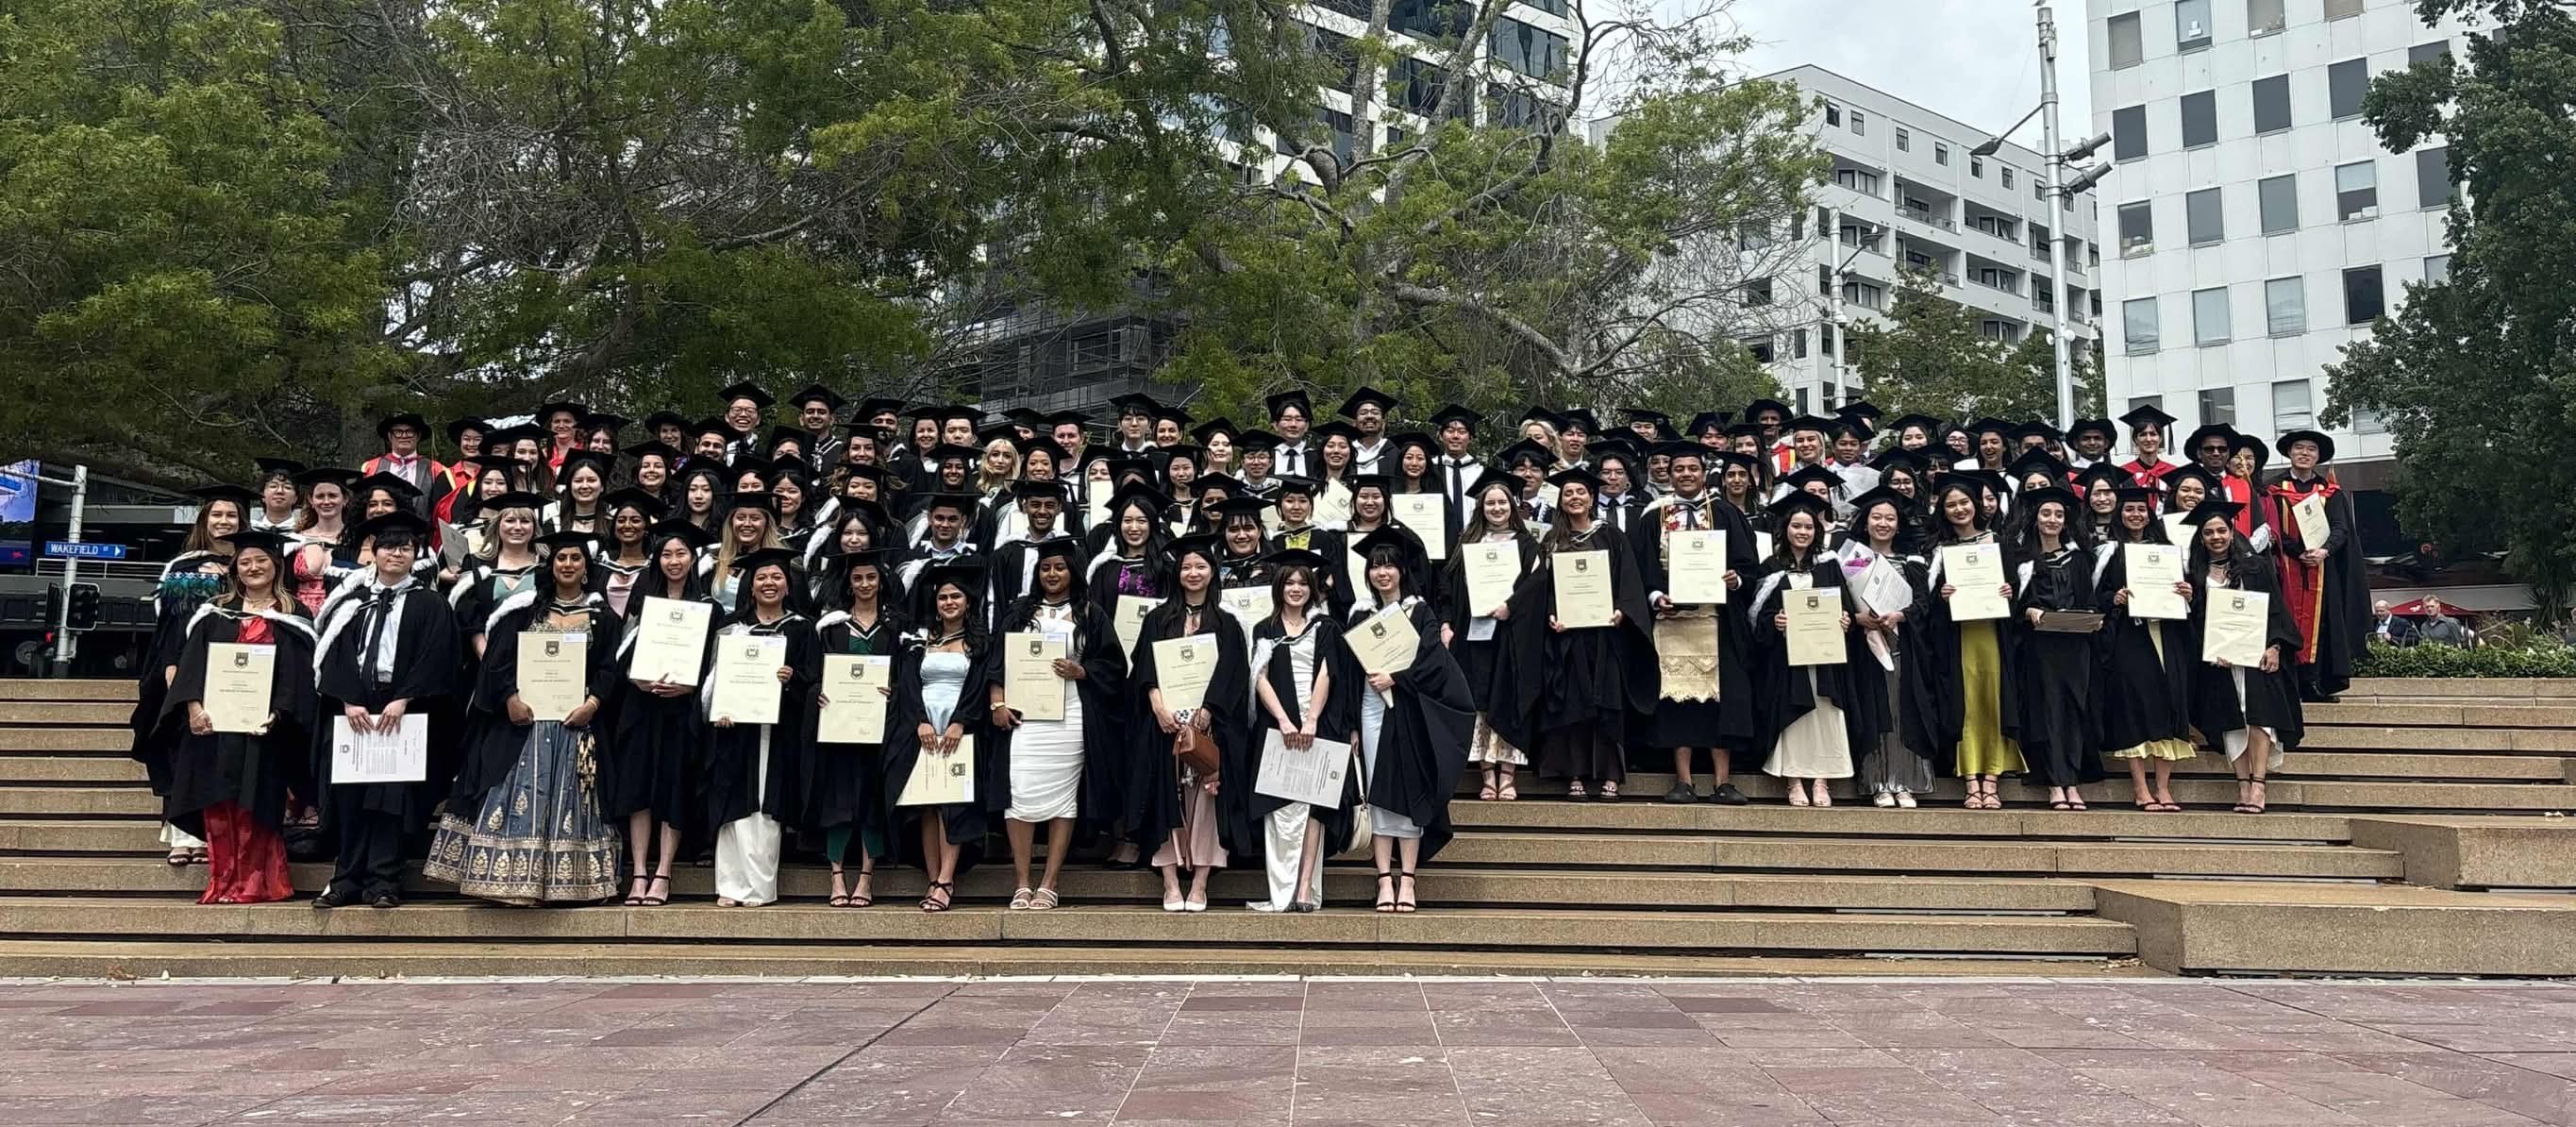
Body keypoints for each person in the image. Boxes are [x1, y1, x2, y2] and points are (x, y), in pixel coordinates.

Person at [425, 531, 623, 904]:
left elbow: (610, 670)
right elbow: (497, 665)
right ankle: (512, 883)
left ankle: (568, 884)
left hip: (574, 726)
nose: (567, 565)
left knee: (571, 798)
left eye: (575, 559)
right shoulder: (522, 612)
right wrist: (510, 699)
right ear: (550, 566)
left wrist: (592, 705)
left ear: (586, 568)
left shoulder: (603, 619)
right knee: (514, 791)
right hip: (524, 726)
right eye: (560, 558)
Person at [155, 530, 314, 903]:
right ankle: (223, 882)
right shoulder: (214, 613)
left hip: (266, 731)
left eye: (260, 561)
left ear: (276, 565)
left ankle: (259, 883)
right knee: (219, 806)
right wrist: (194, 709)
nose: (253, 568)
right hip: (216, 728)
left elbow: (299, 675)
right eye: (245, 562)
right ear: (235, 569)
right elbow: (192, 667)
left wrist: (279, 714)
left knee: (255, 807)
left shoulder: (294, 615)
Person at [312, 512, 460, 909]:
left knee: (392, 800)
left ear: (416, 554)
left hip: (405, 713)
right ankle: (346, 879)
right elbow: (333, 652)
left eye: (406, 547)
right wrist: (348, 698)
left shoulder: (430, 603)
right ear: (373, 553)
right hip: (355, 712)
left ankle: (384, 881)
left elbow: (437, 657)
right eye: (389, 547)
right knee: (351, 796)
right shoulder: (350, 601)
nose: (397, 553)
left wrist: (405, 698)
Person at [1492, 468, 1657, 801]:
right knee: (1572, 707)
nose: (1575, 498)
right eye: (1568, 494)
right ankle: (1576, 773)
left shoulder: (1611, 535)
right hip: (1567, 640)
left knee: (1607, 704)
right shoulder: (1552, 541)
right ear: (1561, 501)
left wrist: (1622, 611)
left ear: (1592, 497)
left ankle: (1611, 774)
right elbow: (1541, 588)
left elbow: (1629, 581)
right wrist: (1551, 613)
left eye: (1581, 492)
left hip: (1605, 636)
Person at [988, 539, 1125, 911]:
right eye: (1046, 568)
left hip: (1070, 716)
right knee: (1018, 795)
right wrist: (997, 703)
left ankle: (1049, 882)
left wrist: (1082, 670)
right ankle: (1021, 882)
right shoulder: (1019, 613)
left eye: (1060, 568)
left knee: (1064, 799)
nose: (1052, 574)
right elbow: (997, 662)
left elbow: (1114, 666)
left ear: (1072, 572)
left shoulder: (1090, 613)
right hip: (1024, 719)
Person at [1345, 529, 1476, 913]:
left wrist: (1397, 678)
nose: (1382, 573)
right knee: (1379, 794)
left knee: (1410, 792)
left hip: (1409, 710)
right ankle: (1383, 878)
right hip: (1371, 710)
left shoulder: (1420, 612)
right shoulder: (1359, 614)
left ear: (1402, 570)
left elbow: (1434, 662)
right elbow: (1348, 672)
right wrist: (1352, 723)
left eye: (1389, 565)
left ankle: (1409, 880)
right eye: (1374, 566)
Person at [1126, 535, 1251, 912]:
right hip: (1162, 726)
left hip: (1209, 726)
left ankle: (1199, 883)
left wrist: (1208, 712)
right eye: (1186, 567)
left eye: (1200, 566)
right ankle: (1169, 882)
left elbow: (1233, 673)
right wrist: (1159, 707)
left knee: (1207, 803)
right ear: (1177, 574)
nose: (1193, 573)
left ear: (1213, 572)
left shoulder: (1227, 623)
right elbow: (1144, 670)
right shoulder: (1158, 619)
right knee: (1164, 797)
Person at [1630, 443, 1760, 804]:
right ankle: (1683, 781)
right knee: (1676, 702)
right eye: (1679, 469)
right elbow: (1639, 570)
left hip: (1716, 619)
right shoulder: (1654, 515)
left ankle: (1723, 782)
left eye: (1693, 469)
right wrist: (1656, 597)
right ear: (1669, 475)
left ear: (1704, 474)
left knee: (1722, 699)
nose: (1686, 474)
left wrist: (1737, 580)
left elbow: (1750, 566)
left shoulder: (1726, 513)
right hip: (1672, 621)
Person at [605, 520, 717, 908]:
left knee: (673, 788)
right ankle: (638, 872)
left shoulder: (708, 609)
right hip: (642, 707)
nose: (674, 561)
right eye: (666, 554)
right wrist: (637, 681)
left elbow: (715, 667)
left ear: (693, 559)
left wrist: (690, 687)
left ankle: (664, 872)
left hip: (682, 711)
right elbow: (618, 661)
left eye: (681, 553)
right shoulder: (640, 607)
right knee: (639, 788)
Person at [703, 547, 821, 907]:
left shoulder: (802, 630)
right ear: (751, 587)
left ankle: (758, 888)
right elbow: (714, 680)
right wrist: (717, 709)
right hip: (735, 731)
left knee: (764, 809)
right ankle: (729, 885)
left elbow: (814, 683)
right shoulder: (732, 630)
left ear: (788, 585)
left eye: (776, 577)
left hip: (777, 732)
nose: (769, 583)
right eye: (761, 578)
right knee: (732, 805)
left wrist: (793, 680)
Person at [1239, 551, 1355, 913]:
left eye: (1303, 583)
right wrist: (1285, 721)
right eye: (1289, 582)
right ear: (1278, 586)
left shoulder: (1325, 627)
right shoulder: (1264, 628)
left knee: (1312, 809)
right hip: (1278, 729)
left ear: (1312, 588)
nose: (1296, 589)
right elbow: (1259, 677)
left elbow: (1327, 673)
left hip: (1317, 728)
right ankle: (1281, 893)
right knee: (1280, 812)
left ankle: (1304, 887)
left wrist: (1311, 720)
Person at [1748, 492, 1876, 806]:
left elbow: (1845, 607)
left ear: (1817, 531)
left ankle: (1822, 781)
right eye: (1796, 526)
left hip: (1826, 659)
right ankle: (1794, 781)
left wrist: (1845, 621)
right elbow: (1756, 616)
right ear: (1785, 529)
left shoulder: (1829, 565)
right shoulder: (1771, 567)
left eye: (1809, 527)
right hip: (1788, 661)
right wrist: (1774, 622)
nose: (1803, 532)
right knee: (1795, 720)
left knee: (1825, 715)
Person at [882, 562, 996, 912]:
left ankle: (947, 878)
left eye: (956, 596)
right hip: (925, 729)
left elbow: (979, 687)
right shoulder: (921, 640)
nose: (949, 602)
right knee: (928, 805)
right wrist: (919, 721)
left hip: (959, 730)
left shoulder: (979, 643)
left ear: (968, 601)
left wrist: (961, 721)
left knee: (954, 804)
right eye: (943, 597)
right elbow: (909, 684)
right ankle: (932, 878)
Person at [2183, 500, 2304, 814]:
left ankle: (2259, 786)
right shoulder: (2194, 574)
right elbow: (2196, 621)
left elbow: (2276, 610)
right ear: (2201, 538)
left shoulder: (2256, 567)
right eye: (2208, 532)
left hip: (2255, 658)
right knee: (2231, 724)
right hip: (2219, 662)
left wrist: (2275, 646)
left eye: (2221, 530)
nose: (2216, 537)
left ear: (2232, 531)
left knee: (2259, 719)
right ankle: (2243, 787)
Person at [809, 548, 903, 907]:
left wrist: (892, 690)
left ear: (881, 582)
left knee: (872, 801)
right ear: (848, 584)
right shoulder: (831, 627)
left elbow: (904, 677)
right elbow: (816, 676)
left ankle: (866, 876)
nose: (864, 584)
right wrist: (818, 694)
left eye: (871, 578)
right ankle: (837, 876)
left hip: (878, 731)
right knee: (838, 801)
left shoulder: (896, 627)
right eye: (858, 578)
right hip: (839, 730)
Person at [1926, 479, 2024, 810]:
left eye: (1964, 502)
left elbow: (2014, 589)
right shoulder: (1940, 551)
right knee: (1965, 702)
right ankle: (1970, 778)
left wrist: (2009, 592)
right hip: (1959, 637)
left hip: (1993, 635)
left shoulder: (1999, 542)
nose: (1959, 509)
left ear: (1977, 505)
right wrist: (1942, 597)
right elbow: (1928, 605)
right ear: (1943, 510)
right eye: (1951, 505)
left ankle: (1992, 778)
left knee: (1992, 699)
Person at [2098, 488, 2198, 812]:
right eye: (2129, 510)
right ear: (2120, 514)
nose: (2136, 515)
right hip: (2131, 639)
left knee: (2169, 706)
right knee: (2136, 709)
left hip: (2167, 636)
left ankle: (2164, 788)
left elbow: (2186, 597)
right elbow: (2094, 594)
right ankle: (2141, 789)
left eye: (2141, 509)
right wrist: (2113, 598)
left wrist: (2187, 593)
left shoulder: (2167, 552)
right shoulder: (2109, 552)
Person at [2009, 486, 2108, 811]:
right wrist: (2027, 610)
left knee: (2074, 711)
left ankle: (2073, 782)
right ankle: (2054, 783)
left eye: (2058, 515)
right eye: (2046, 514)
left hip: (2076, 646)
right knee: (2047, 712)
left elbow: (2089, 601)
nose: (2052, 519)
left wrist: (2094, 618)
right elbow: (2011, 604)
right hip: (2040, 649)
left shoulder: (2079, 558)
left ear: (2066, 521)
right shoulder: (2021, 560)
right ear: (2035, 519)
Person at [1840, 488, 1939, 808]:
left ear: (1899, 525)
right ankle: (1880, 781)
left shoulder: (1912, 563)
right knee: (1876, 711)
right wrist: (1857, 618)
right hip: (1866, 651)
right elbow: (1839, 604)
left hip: (1902, 648)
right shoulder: (1850, 561)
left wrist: (1900, 615)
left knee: (1902, 712)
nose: (1883, 523)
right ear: (1865, 522)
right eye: (1876, 517)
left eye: (1890, 518)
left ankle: (1906, 782)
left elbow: (1924, 605)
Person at [1441, 479, 1538, 799]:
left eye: (1502, 503)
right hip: (1473, 634)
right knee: (1479, 698)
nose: (1496, 508)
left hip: (1510, 636)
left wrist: (1512, 606)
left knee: (1507, 697)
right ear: (1481, 509)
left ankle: (1508, 774)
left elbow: (1537, 586)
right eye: (1490, 503)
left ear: (1512, 507)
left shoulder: (1526, 544)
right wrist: (1446, 623)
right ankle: (1486, 775)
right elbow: (1449, 588)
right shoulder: (1468, 542)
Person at [2266, 430, 2371, 701]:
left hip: (2322, 570)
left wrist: (2324, 551)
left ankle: (2314, 682)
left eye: (2311, 449)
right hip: (2285, 566)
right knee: (2285, 621)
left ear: (2317, 456)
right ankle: (2287, 683)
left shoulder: (2330, 492)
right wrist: (2298, 551)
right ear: (2289, 453)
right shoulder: (2273, 489)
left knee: (2322, 625)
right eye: (2298, 448)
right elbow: (2271, 526)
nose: (2304, 453)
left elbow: (2341, 528)